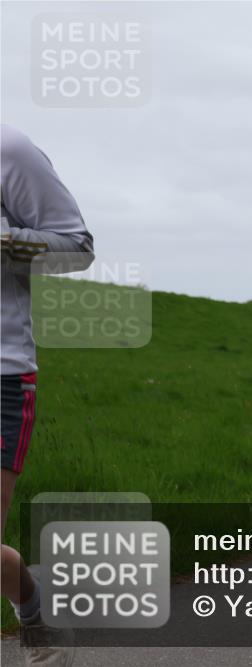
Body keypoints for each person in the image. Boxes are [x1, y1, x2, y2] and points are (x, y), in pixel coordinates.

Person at [2, 125, 94, 667]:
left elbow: (76, 248)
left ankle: (35, 613)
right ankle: (35, 607)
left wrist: (5, 243)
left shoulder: (7, 150)